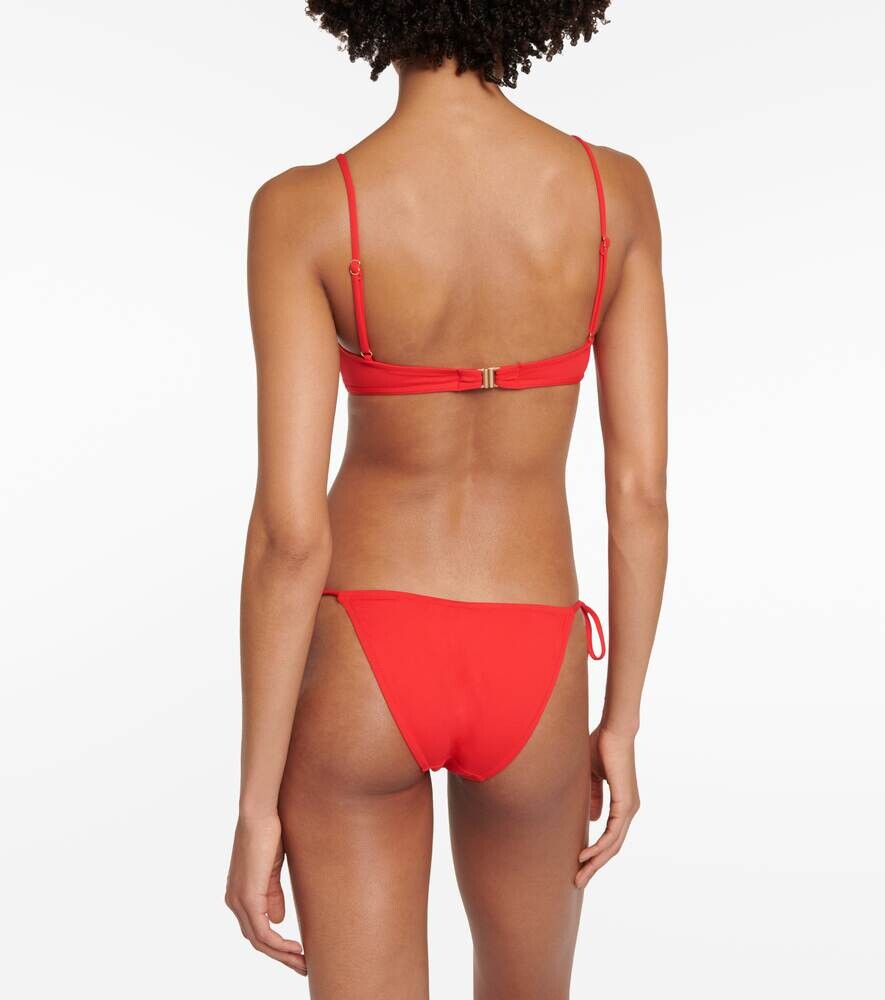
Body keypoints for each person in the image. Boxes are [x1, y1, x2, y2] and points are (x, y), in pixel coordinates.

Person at [225, 3, 668, 997]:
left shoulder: (305, 208)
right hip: (534, 654)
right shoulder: (613, 196)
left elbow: (290, 536)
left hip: (363, 653)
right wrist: (621, 722)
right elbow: (638, 494)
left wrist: (255, 801)